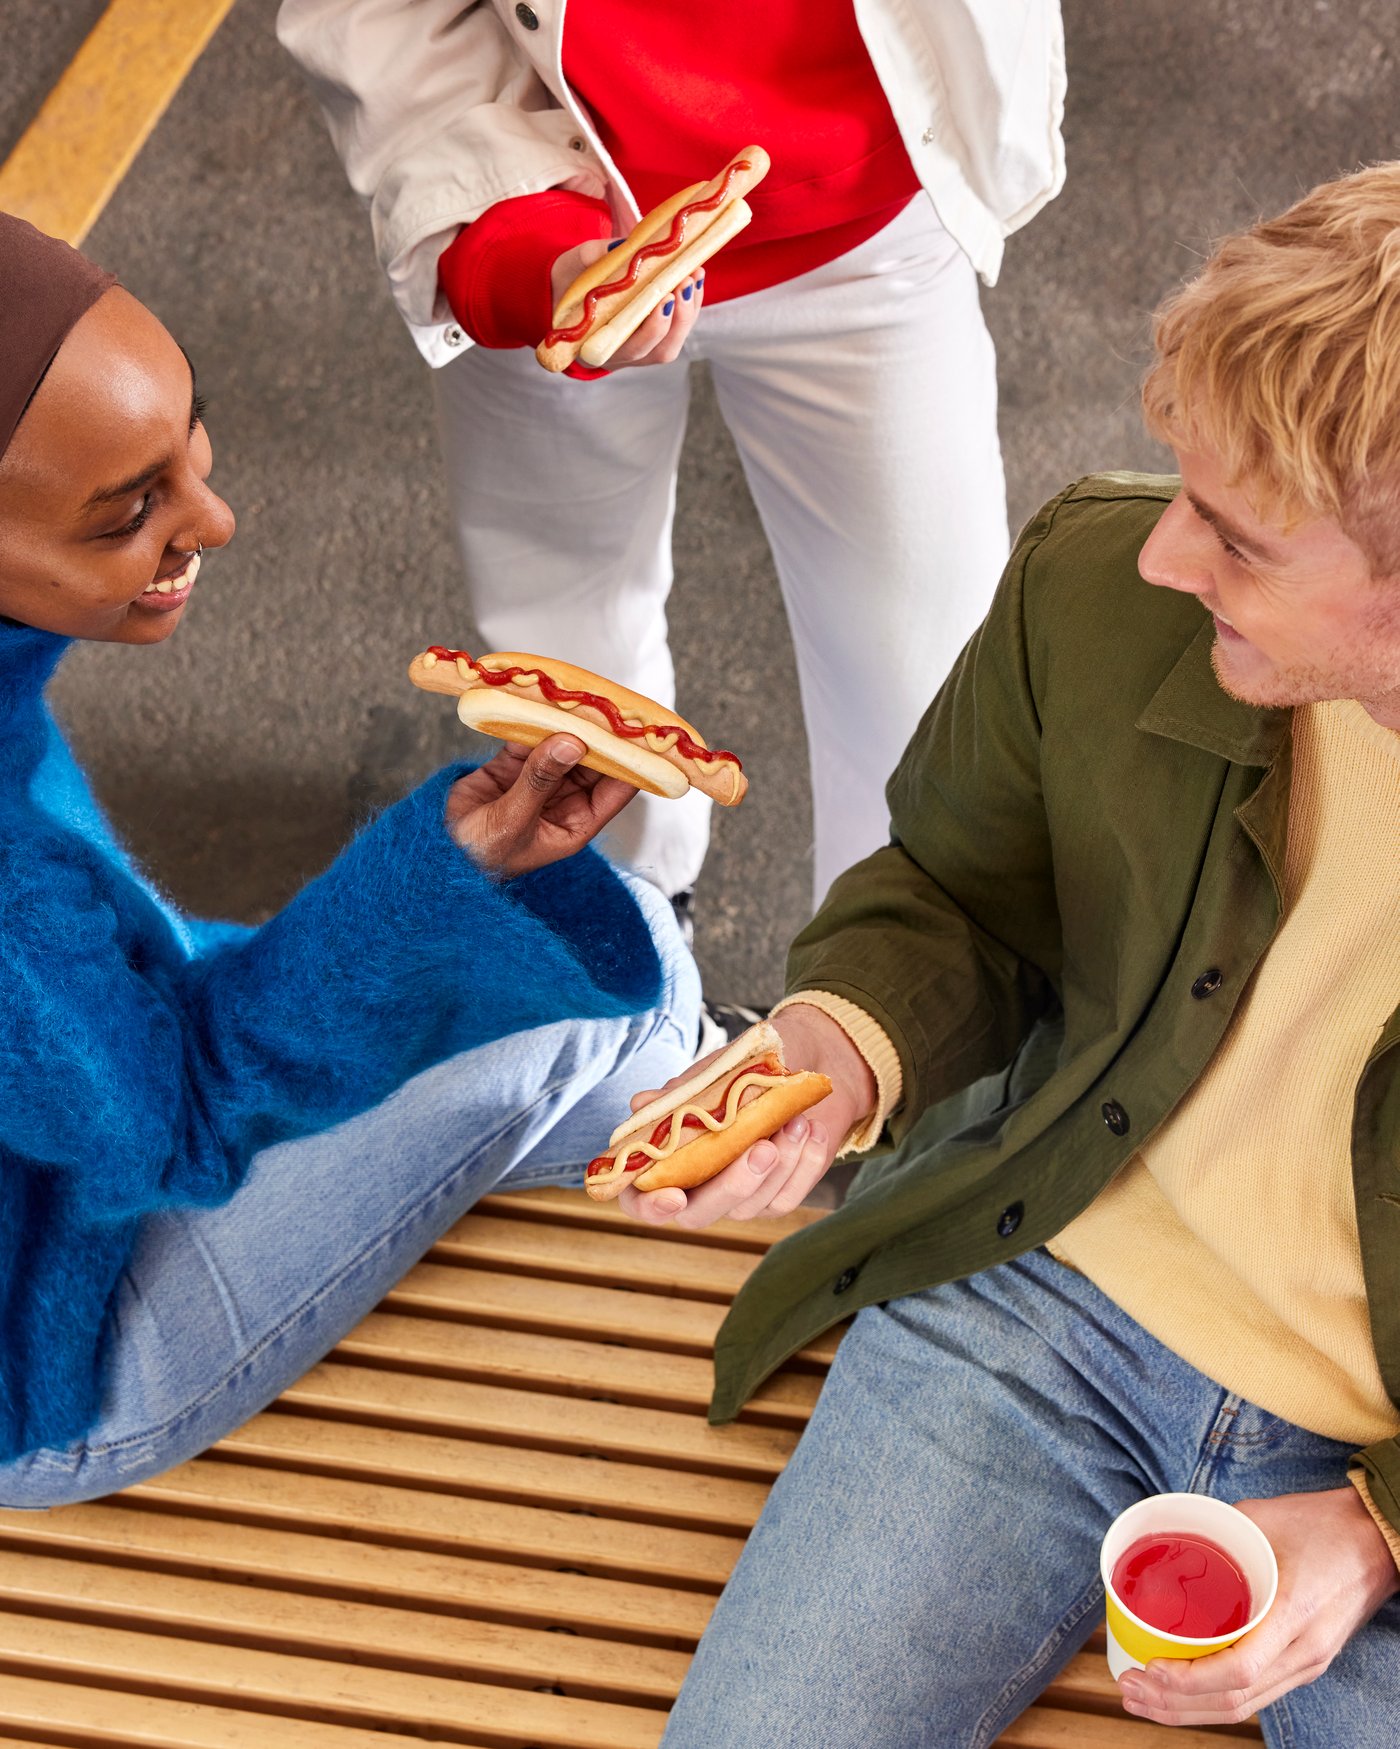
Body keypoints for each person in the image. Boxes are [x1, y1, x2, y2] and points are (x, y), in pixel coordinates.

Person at [622, 164, 1400, 1745]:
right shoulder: (1101, 596)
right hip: (1045, 1299)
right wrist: (847, 1042)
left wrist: (1380, 1525)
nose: (1163, 557)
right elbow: (959, 890)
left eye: (1239, 539)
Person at [0, 214, 698, 1509]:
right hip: (51, 1366)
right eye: (128, 510)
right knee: (628, 970)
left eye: (189, 438)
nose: (214, 513)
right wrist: (432, 873)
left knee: (538, 970)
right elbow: (175, 1128)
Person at [275, 0, 1066, 934]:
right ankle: (623, 952)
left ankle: (876, 1020)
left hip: (875, 222)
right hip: (537, 200)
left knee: (931, 690)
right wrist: (516, 247)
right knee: (568, 653)